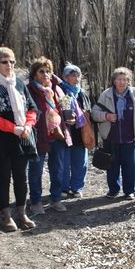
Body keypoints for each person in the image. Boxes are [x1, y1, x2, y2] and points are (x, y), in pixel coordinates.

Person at [0, 47, 39, 231]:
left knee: (21, 178)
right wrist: (14, 128)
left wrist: (28, 126)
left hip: (23, 138)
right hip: (0, 140)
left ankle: (21, 212)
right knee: (3, 177)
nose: (10, 65)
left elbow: (32, 108)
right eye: (5, 62)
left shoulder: (19, 83)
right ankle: (5, 214)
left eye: (12, 61)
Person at [91, 67, 135, 199]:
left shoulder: (134, 96)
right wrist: (106, 116)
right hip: (111, 138)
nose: (122, 82)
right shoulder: (106, 95)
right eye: (119, 79)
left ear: (129, 81)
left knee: (129, 166)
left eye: (125, 79)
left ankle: (129, 191)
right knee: (112, 166)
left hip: (130, 138)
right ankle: (113, 190)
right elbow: (94, 113)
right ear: (114, 81)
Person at [27, 57, 72, 214]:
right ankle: (36, 202)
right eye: (41, 71)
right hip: (39, 136)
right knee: (36, 170)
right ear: (34, 74)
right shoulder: (29, 90)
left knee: (58, 169)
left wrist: (69, 117)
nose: (46, 74)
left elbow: (67, 106)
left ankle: (55, 199)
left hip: (58, 135)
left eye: (48, 71)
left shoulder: (58, 89)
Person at [58, 64, 92, 199]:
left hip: (81, 133)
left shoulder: (82, 93)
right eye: (73, 75)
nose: (76, 78)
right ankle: (64, 188)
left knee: (80, 162)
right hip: (66, 132)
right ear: (65, 77)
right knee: (64, 163)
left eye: (78, 75)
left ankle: (77, 187)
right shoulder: (60, 91)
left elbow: (89, 111)